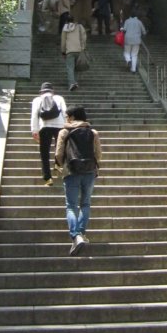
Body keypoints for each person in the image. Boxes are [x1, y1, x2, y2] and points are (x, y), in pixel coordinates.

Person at [55, 105, 102, 254]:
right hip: (89, 171)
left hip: (71, 171)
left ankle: (76, 236)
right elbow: (98, 153)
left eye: (68, 116)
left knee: (71, 206)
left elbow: (58, 153)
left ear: (73, 117)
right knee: (86, 203)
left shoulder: (64, 132)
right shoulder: (93, 132)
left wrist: (60, 166)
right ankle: (81, 234)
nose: (66, 118)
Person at [30, 82, 67, 186]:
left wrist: (34, 130)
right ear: (53, 91)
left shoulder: (37, 100)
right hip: (59, 126)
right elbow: (65, 112)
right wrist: (66, 126)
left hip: (44, 126)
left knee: (44, 153)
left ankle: (48, 178)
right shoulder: (59, 98)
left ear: (41, 92)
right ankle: (57, 165)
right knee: (59, 148)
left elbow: (34, 115)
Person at [61, 14, 88, 91]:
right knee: (76, 67)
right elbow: (84, 38)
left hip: (69, 51)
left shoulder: (65, 28)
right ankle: (75, 82)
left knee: (70, 67)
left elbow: (63, 41)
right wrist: (83, 47)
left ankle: (71, 83)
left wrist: (63, 51)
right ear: (73, 19)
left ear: (66, 21)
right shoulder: (80, 27)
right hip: (79, 50)